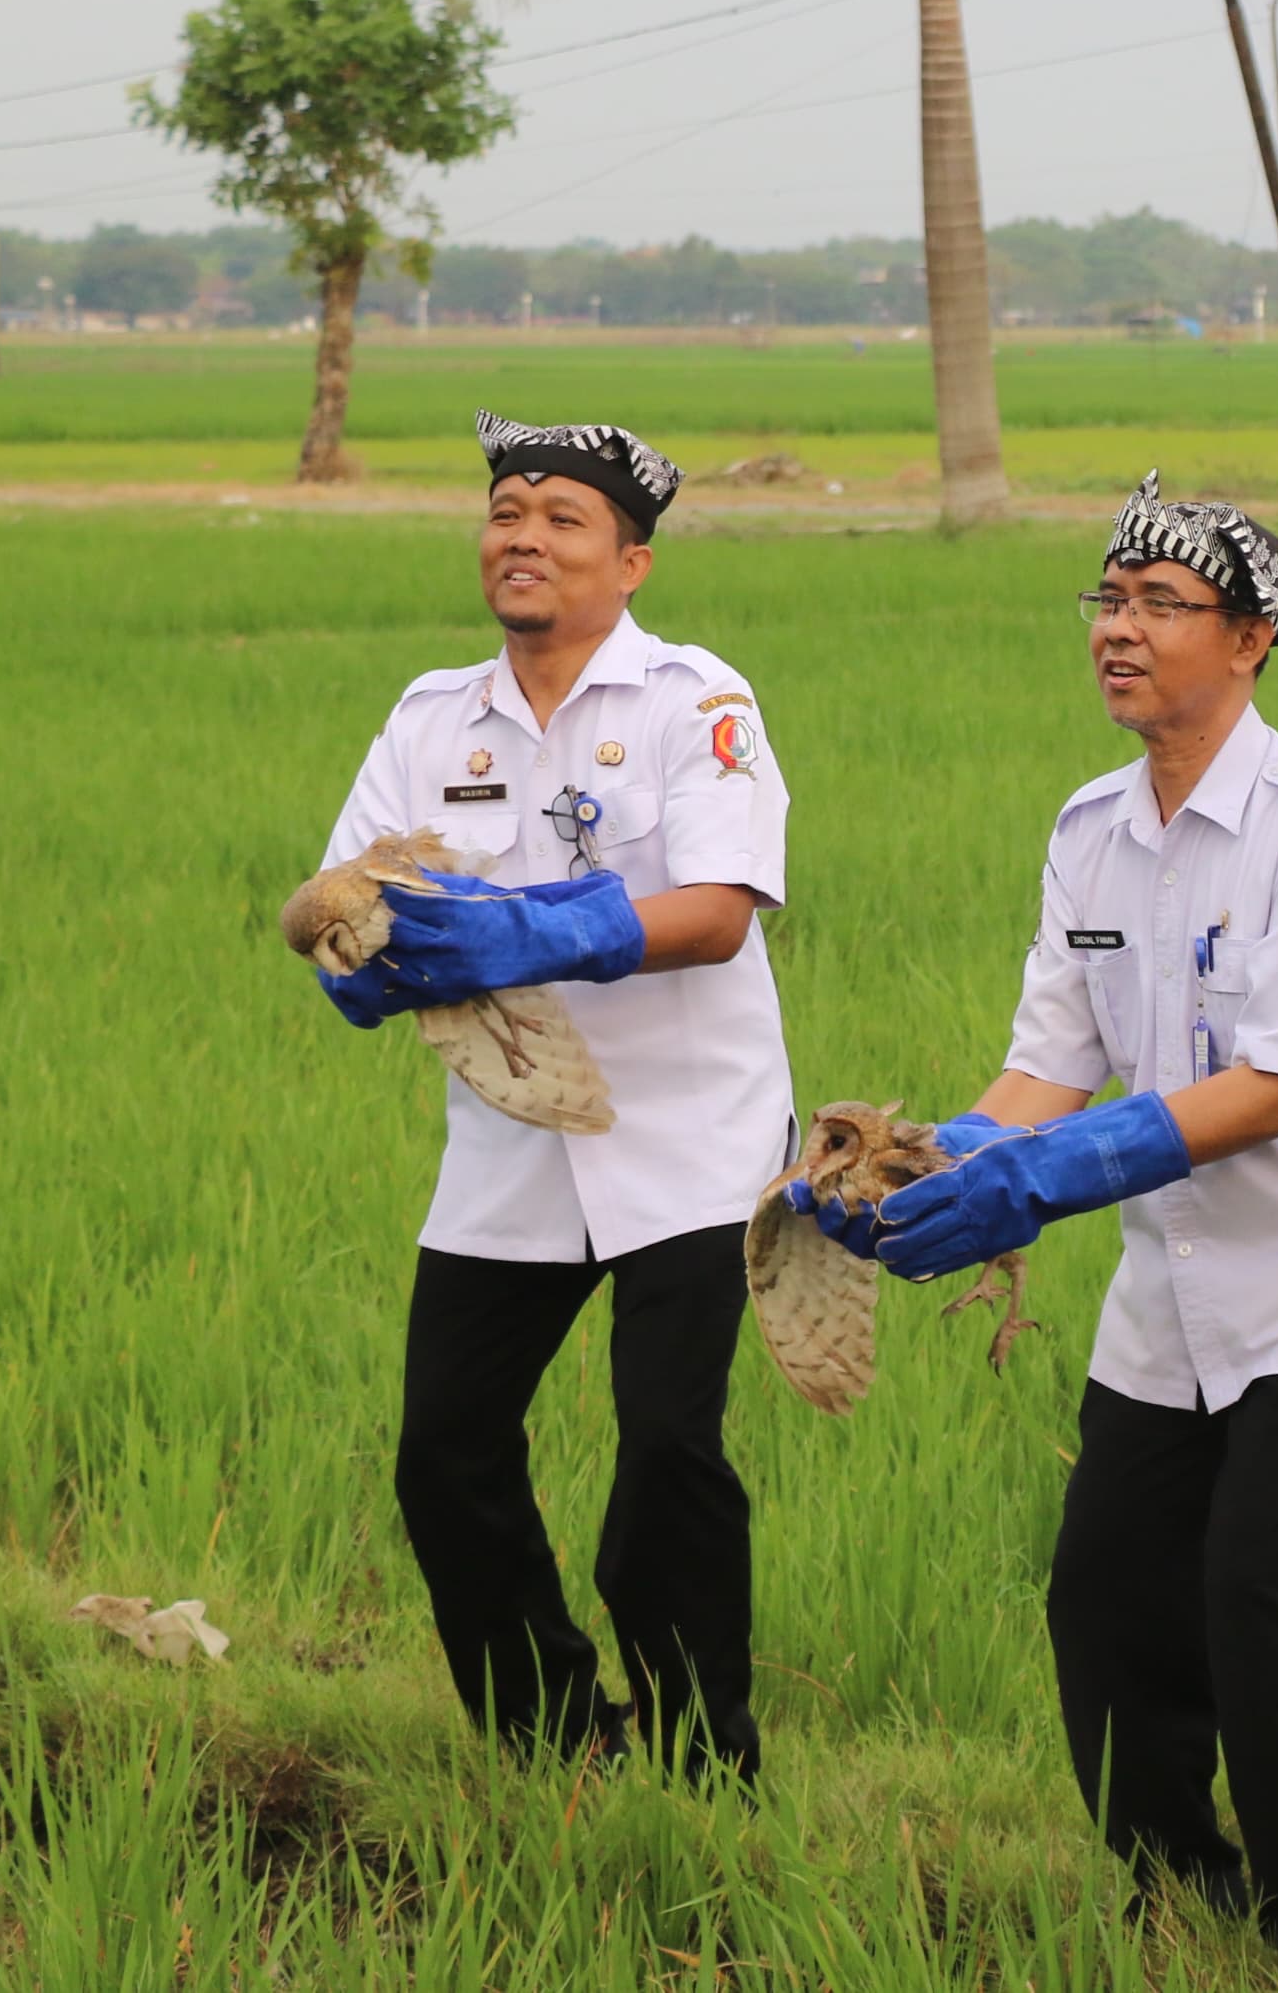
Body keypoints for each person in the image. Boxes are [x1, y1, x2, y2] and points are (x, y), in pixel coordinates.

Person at [804, 474, 1278, 1981]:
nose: (1118, 629)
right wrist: (920, 1163)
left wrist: (1042, 1180)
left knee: (1277, 1616)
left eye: (1158, 605)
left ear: (1248, 640)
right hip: (1175, 1300)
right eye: (1106, 601)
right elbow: (1051, 1061)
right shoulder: (1091, 831)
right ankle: (1179, 1890)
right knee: (1107, 1602)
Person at [306, 412, 790, 1777]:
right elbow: (344, 894)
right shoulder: (429, 717)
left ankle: (707, 1765)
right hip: (513, 1136)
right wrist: (358, 959)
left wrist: (534, 931)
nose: (523, 533)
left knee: (664, 1464)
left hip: (693, 1138)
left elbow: (716, 911)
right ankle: (554, 1739)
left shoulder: (695, 702)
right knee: (445, 1456)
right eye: (506, 509)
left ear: (629, 560)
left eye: (561, 516)